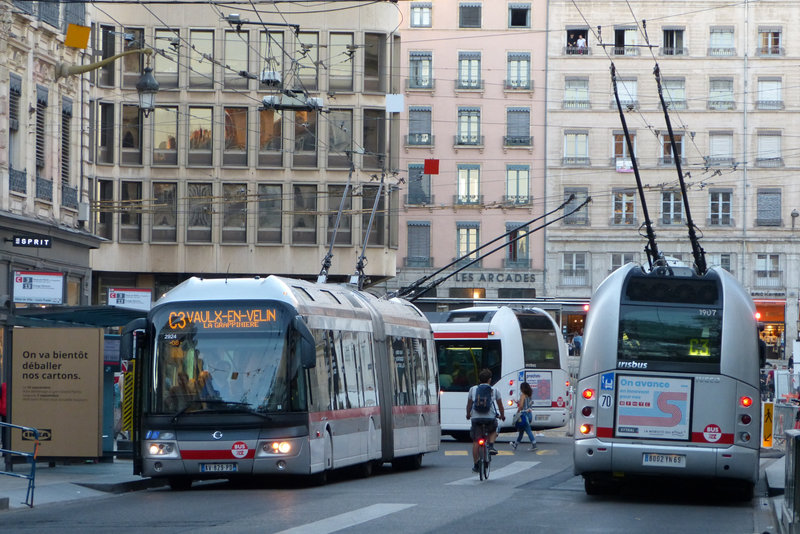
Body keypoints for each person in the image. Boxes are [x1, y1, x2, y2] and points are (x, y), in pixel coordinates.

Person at [466, 368, 505, 473]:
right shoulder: (495, 390)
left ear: (479, 379)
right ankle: (491, 445)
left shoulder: (472, 389)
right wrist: (502, 415)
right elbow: (500, 406)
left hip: (476, 418)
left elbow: (469, 405)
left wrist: (468, 414)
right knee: (493, 429)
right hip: (489, 418)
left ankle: (476, 464)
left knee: (475, 442)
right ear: (490, 380)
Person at [511, 382, 537, 451]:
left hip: (524, 415)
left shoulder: (523, 395)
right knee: (521, 431)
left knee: (528, 430)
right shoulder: (529, 395)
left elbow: (521, 406)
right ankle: (515, 444)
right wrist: (518, 402)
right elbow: (528, 405)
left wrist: (517, 412)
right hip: (529, 414)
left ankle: (534, 445)